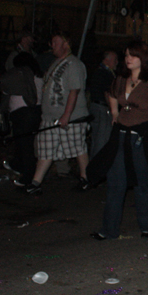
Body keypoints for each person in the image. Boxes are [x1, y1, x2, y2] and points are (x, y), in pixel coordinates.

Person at [88, 41, 148, 240]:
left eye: (133, 55)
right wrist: (114, 112)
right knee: (115, 182)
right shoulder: (121, 78)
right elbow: (111, 93)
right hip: (121, 135)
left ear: (142, 59)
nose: (128, 59)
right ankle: (109, 229)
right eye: (126, 55)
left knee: (142, 183)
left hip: (142, 137)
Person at [25, 32, 89, 195]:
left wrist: (66, 115)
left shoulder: (74, 64)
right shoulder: (55, 62)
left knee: (78, 148)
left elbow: (74, 91)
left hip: (71, 117)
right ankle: (35, 182)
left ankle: (86, 178)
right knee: (46, 149)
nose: (51, 45)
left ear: (66, 44)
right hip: (49, 117)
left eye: (55, 42)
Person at [0, 52, 43, 186]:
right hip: (36, 112)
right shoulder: (39, 76)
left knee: (25, 145)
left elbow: (5, 84)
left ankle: (28, 177)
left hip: (22, 113)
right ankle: (18, 165)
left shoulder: (20, 76)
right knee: (24, 143)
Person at [87, 49, 118, 158]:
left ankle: (94, 167)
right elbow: (107, 93)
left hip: (96, 107)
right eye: (115, 60)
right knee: (102, 139)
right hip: (102, 108)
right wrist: (112, 111)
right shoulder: (105, 73)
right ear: (107, 60)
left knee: (96, 139)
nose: (116, 62)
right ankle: (98, 167)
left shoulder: (99, 71)